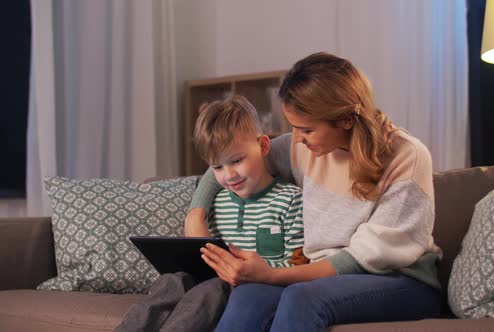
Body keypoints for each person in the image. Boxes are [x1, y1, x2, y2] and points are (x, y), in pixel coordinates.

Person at [192, 52, 443, 331]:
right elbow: (234, 158)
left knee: (302, 297)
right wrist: (196, 215)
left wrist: (274, 275)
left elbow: (362, 258)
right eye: (294, 128)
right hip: (323, 279)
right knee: (250, 295)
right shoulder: (305, 148)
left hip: (402, 282)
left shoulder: (406, 156)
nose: (296, 139)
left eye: (306, 130)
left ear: (346, 119)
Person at [115, 95, 305, 332]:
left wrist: (254, 268)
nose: (229, 175)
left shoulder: (290, 199)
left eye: (237, 160)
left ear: (264, 146)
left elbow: (298, 265)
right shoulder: (216, 201)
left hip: (247, 286)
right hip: (208, 280)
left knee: (213, 288)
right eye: (217, 167)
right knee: (170, 282)